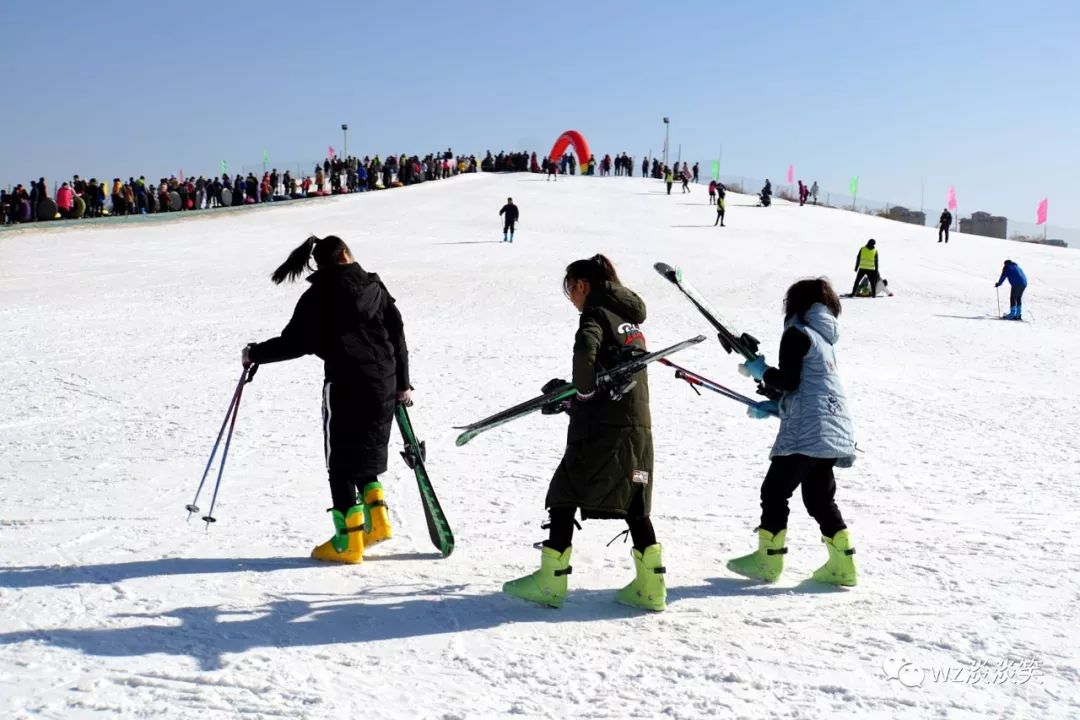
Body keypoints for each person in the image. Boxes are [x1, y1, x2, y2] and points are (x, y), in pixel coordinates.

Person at [504, 254, 666, 611]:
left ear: (581, 284)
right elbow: (614, 371)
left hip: (603, 428)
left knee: (564, 492)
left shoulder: (594, 314)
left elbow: (586, 351)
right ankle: (652, 586)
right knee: (634, 499)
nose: (572, 299)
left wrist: (583, 392)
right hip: (636, 424)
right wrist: (576, 397)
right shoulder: (629, 321)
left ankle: (551, 581)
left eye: (571, 291)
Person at [244, 235, 412, 564]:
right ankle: (377, 523)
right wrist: (403, 384)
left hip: (348, 385)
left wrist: (255, 354)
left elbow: (294, 342)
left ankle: (347, 543)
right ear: (346, 254)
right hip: (385, 383)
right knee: (365, 451)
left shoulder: (318, 296)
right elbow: (397, 333)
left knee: (340, 463)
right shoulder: (373, 286)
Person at [728, 278, 858, 586]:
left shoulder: (797, 333)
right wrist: (776, 404)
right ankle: (844, 565)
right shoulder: (824, 340)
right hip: (833, 429)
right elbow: (806, 386)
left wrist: (762, 372)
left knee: (774, 491)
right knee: (819, 499)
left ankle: (768, 560)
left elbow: (789, 382)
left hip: (809, 430)